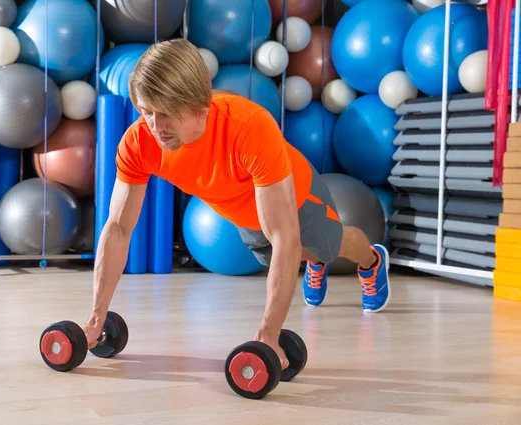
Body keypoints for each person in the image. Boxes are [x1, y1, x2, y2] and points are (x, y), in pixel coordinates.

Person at [81, 39, 391, 370]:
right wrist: (96, 320)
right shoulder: (139, 141)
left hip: (296, 195)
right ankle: (311, 259)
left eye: (166, 113)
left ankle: (372, 260)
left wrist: (268, 336)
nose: (155, 126)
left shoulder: (248, 127)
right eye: (146, 111)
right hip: (246, 214)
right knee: (277, 254)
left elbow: (286, 234)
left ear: (198, 102)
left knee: (321, 247)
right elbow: (117, 228)